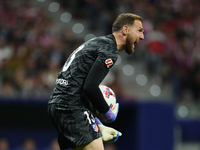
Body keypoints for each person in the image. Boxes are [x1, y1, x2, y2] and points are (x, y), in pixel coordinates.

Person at [47, 13, 144, 150]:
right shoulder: (109, 50)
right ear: (126, 29)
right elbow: (90, 87)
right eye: (139, 30)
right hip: (71, 106)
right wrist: (108, 114)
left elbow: (78, 85)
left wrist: (98, 124)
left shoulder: (98, 43)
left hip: (59, 105)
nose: (142, 36)